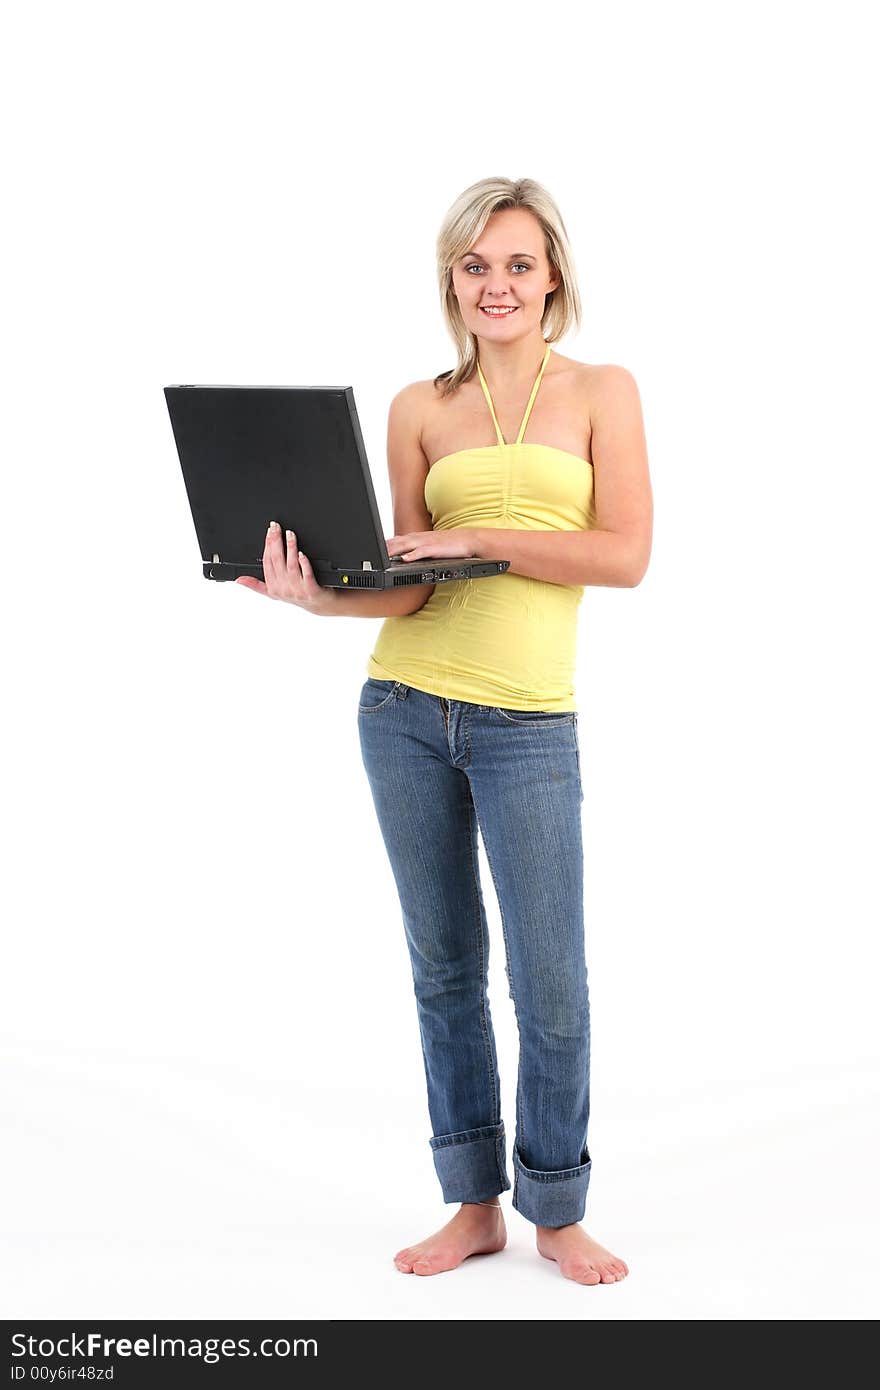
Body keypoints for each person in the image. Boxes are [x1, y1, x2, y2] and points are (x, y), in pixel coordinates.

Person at [237, 176, 653, 1286]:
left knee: (550, 981)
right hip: (403, 711)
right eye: (475, 265)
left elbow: (624, 555)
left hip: (528, 726)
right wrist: (319, 598)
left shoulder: (602, 391)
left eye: (517, 262)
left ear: (552, 273)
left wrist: (493, 533)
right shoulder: (418, 407)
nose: (496, 284)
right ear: (450, 281)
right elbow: (411, 585)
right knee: (445, 972)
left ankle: (555, 1209)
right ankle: (472, 1204)